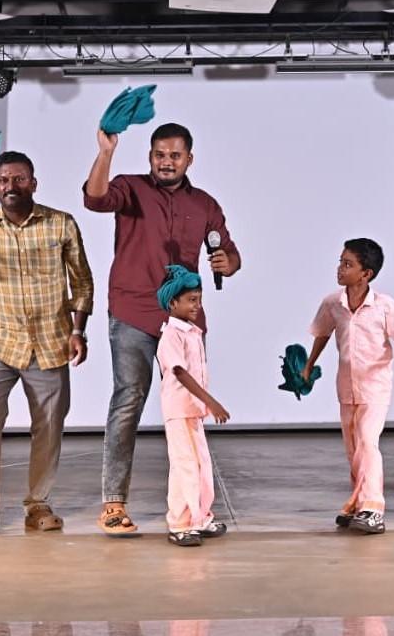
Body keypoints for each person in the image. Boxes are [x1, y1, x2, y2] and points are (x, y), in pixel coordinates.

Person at [83, 122, 242, 535]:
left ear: (189, 158)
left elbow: (228, 250)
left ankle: (194, 510)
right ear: (149, 157)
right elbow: (95, 198)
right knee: (128, 399)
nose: (165, 162)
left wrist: (228, 262)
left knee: (189, 413)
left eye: (174, 155)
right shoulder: (130, 188)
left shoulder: (205, 203)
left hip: (183, 323)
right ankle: (114, 504)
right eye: (158, 154)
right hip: (133, 310)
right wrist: (106, 152)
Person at [0, 151, 95, 531]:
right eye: (4, 181)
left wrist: (78, 331)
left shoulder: (60, 224)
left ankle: (39, 505)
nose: (11, 186)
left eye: (19, 179)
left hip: (50, 340)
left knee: (49, 423)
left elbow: (81, 282)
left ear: (33, 183)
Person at [302, 239, 394, 534]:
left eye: (348, 264)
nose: (340, 268)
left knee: (367, 442)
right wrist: (309, 365)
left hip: (375, 387)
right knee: (353, 448)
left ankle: (373, 508)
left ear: (366, 274)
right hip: (346, 388)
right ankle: (358, 504)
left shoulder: (384, 306)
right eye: (340, 261)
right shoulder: (333, 303)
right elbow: (322, 333)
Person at [155, 265, 231, 547]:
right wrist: (211, 401)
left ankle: (200, 517)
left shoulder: (192, 332)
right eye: (190, 300)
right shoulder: (171, 335)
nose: (196, 305)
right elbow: (179, 372)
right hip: (179, 410)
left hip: (193, 411)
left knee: (200, 464)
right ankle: (180, 522)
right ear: (173, 302)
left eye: (199, 299)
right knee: (184, 466)